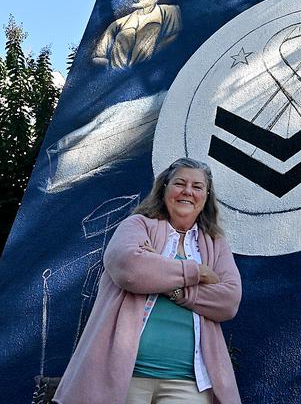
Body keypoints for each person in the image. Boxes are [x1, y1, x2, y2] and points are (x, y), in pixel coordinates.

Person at [53, 158, 242, 404]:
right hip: (124, 377)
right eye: (180, 183)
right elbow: (129, 269)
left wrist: (169, 286)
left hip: (189, 384)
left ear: (206, 197)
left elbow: (228, 300)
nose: (188, 191)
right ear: (164, 188)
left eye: (197, 187)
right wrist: (198, 272)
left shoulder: (215, 243)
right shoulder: (137, 225)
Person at [92, 0, 182, 69]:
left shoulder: (170, 12)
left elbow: (173, 39)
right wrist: (111, 70)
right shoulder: (119, 23)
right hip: (121, 78)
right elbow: (99, 56)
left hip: (150, 73)